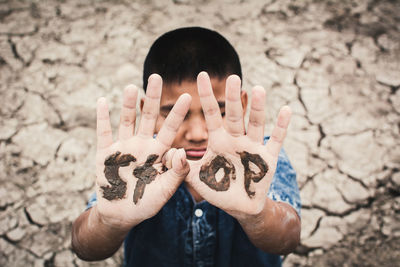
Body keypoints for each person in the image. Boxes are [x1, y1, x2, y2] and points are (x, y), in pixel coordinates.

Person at [71, 27, 301, 267]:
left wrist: (257, 215)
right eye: (175, 113)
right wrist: (109, 222)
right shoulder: (135, 164)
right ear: (148, 107)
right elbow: (83, 245)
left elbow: (288, 238)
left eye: (218, 111)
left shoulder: (256, 160)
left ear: (241, 104)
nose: (197, 134)